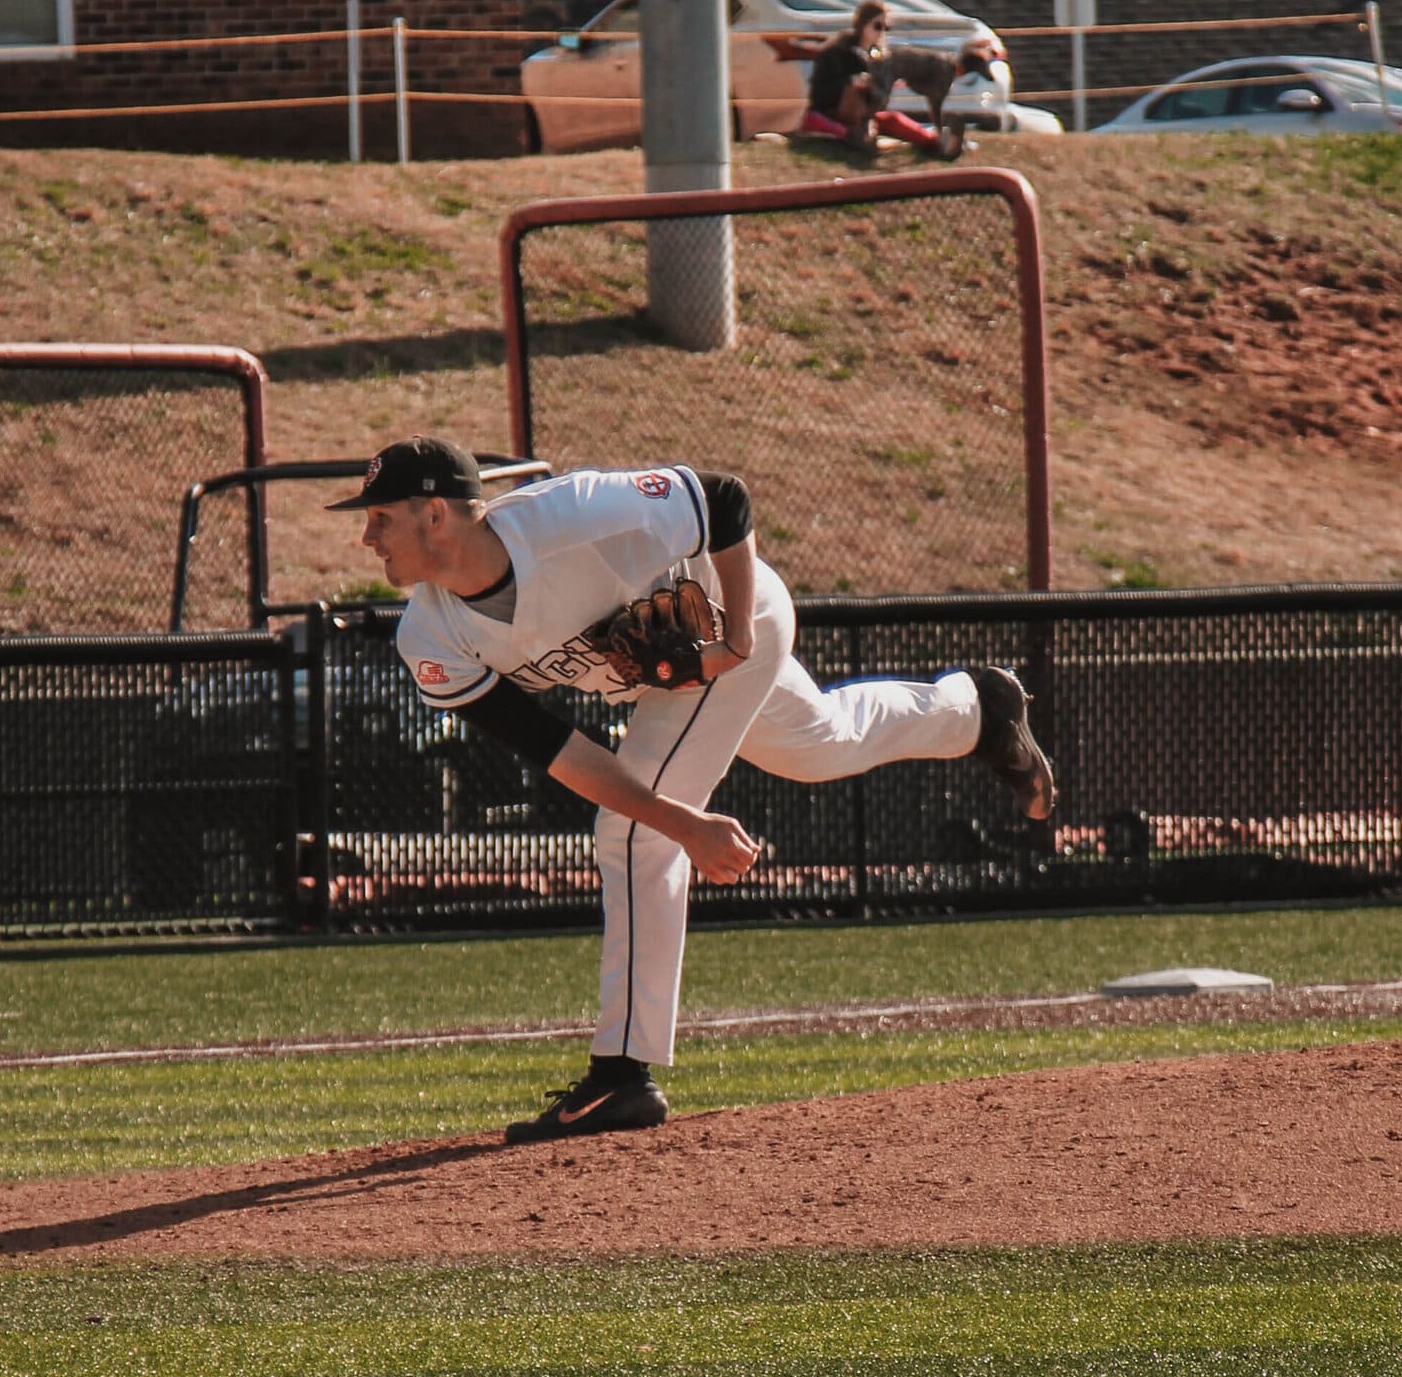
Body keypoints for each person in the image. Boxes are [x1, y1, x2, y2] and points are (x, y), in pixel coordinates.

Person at [332, 437, 1055, 1143]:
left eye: (380, 515)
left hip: (731, 613)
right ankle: (978, 712)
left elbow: (724, 500)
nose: (368, 536)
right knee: (818, 743)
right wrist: (681, 818)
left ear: (436, 514)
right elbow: (555, 748)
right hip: (671, 678)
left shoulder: (567, 515)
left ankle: (622, 1070)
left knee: (630, 836)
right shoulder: (431, 636)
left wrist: (735, 639)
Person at [799, 0, 946, 155]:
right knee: (851, 131)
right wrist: (850, 82)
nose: (881, 33)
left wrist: (883, 83)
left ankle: (935, 142)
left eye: (885, 28)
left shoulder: (876, 58)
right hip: (831, 112)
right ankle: (860, 139)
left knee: (892, 120)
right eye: (877, 26)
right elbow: (818, 94)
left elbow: (878, 105)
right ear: (863, 24)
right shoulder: (836, 52)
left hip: (862, 117)